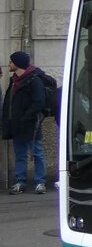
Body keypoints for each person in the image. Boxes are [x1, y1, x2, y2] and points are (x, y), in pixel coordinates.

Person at [3, 51, 47, 194]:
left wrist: (27, 117)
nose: (8, 64)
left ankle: (40, 182)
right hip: (17, 124)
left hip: (31, 124)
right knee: (20, 154)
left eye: (11, 61)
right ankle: (20, 182)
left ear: (18, 63)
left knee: (37, 153)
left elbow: (39, 102)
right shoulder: (14, 81)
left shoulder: (34, 80)